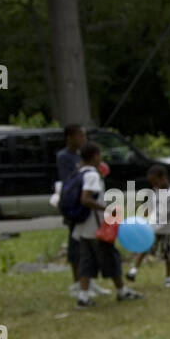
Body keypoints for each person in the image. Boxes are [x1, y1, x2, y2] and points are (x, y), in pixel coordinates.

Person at [72, 143, 142, 308]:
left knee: (86, 261)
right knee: (111, 258)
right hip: (96, 226)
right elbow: (86, 199)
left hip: (83, 227)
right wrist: (107, 209)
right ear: (95, 156)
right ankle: (122, 291)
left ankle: (83, 297)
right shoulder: (91, 175)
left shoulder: (78, 173)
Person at [56, 125, 105, 295]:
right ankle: (78, 283)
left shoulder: (80, 157)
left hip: (87, 209)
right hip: (78, 208)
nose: (84, 139)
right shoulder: (64, 157)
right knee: (76, 247)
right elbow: (72, 181)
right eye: (80, 136)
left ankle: (89, 282)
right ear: (70, 137)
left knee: (87, 248)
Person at [128, 165, 170, 288]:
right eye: (152, 182)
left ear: (163, 178)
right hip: (155, 225)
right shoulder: (155, 192)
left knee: (168, 253)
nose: (154, 184)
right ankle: (133, 271)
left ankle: (168, 278)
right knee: (145, 247)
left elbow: (169, 213)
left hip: (169, 228)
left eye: (155, 181)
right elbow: (152, 207)